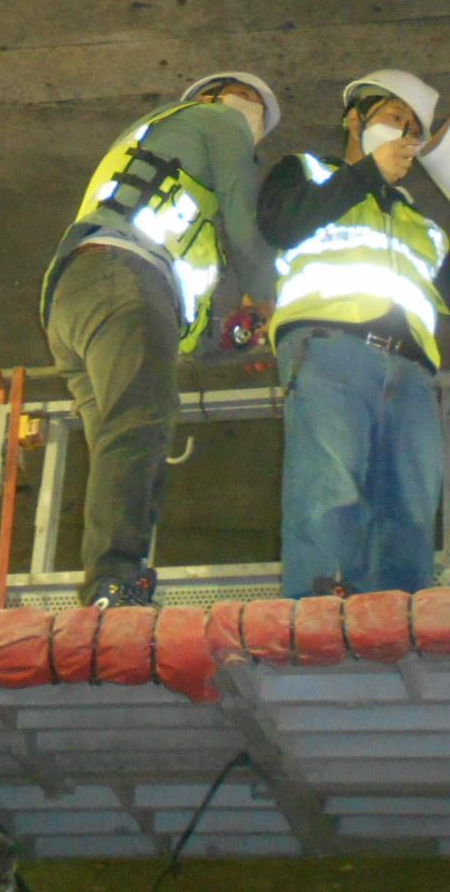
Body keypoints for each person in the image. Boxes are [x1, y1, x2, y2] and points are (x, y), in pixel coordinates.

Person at [258, 68, 450, 598]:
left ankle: (398, 622)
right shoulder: (305, 172)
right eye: (395, 117)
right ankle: (318, 615)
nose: (406, 134)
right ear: (354, 120)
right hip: (330, 350)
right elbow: (282, 224)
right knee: (329, 491)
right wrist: (366, 175)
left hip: (411, 374)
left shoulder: (419, 223)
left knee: (410, 511)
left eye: (414, 129)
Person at [40, 72, 281, 608]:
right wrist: (267, 298)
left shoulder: (156, 155)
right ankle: (115, 579)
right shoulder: (216, 119)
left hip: (78, 299)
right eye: (250, 105)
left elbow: (180, 329)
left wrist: (231, 338)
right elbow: (247, 223)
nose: (252, 121)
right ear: (212, 98)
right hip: (123, 279)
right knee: (138, 428)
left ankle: (117, 584)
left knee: (130, 445)